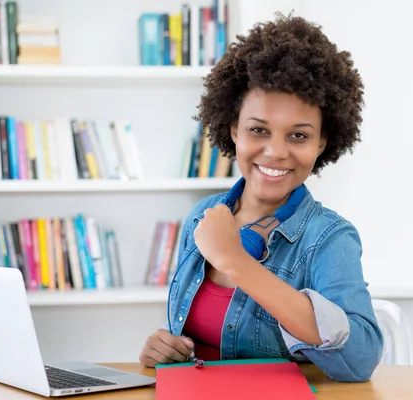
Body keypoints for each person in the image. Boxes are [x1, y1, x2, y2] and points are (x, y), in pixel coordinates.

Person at [138, 12, 384, 383]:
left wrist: (237, 263)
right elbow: (196, 327)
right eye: (258, 130)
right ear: (234, 129)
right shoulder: (203, 216)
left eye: (298, 136)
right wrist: (165, 345)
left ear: (322, 142)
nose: (275, 152)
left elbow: (361, 357)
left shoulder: (328, 238)